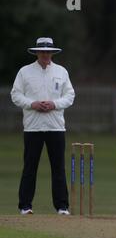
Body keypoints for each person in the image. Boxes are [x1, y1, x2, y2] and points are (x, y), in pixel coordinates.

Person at [10, 37, 75, 215]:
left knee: (58, 168)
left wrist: (54, 104)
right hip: (33, 127)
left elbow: (69, 96)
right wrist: (33, 104)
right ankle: (25, 206)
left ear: (52, 52)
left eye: (48, 51)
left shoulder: (61, 71)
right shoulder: (25, 72)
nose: (45, 54)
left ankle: (62, 206)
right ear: (37, 52)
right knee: (30, 167)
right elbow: (16, 95)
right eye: (42, 51)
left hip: (56, 127)